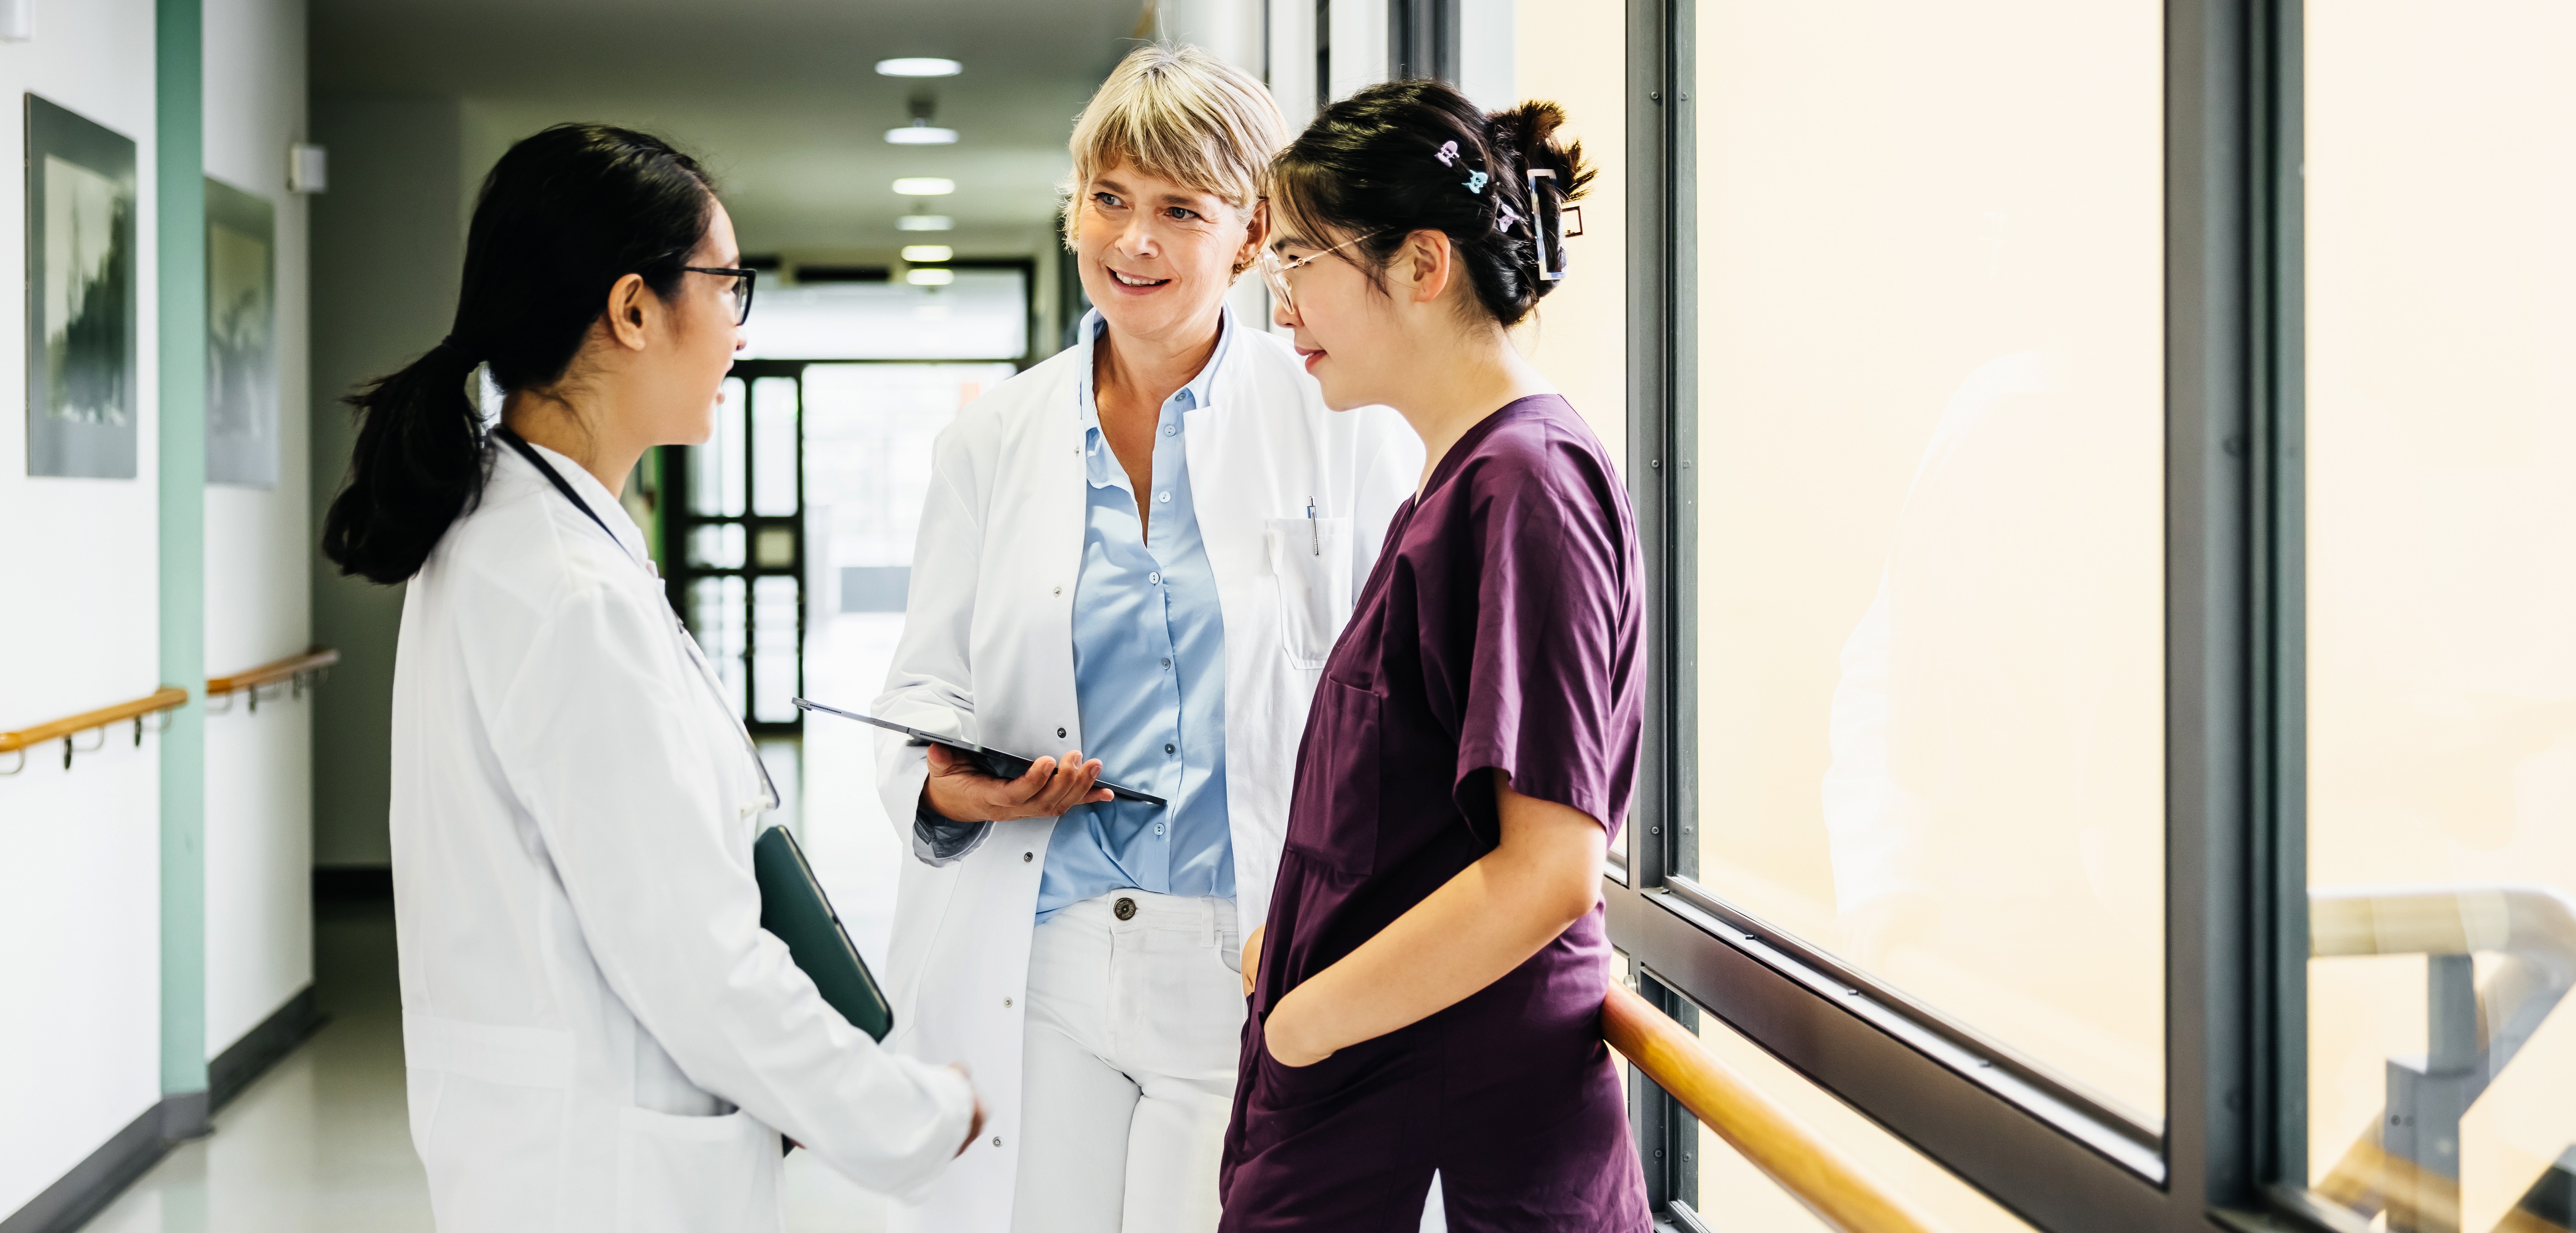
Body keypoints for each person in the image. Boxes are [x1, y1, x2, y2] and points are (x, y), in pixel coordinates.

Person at [322, 123, 983, 1233]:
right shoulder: (565, 589)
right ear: (633, 309)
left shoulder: (519, 537)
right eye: (729, 285)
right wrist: (911, 1113)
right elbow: (699, 961)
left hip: (552, 1149)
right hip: (603, 1177)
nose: (735, 329)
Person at [867, 44, 1422, 1233]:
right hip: (1048, 956)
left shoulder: (1342, 429)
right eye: (1109, 200)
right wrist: (961, 791)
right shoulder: (996, 439)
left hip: (1249, 956)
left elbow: (1399, 715)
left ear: (1253, 228)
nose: (1135, 242)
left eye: (1180, 209)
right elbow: (923, 690)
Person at [1217, 82, 1646, 1232]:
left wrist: (1306, 1018)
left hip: (1447, 1111)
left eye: (1300, 260)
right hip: (1379, 1083)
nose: (1283, 307)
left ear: (1419, 265)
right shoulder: (1461, 479)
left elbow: (1548, 867)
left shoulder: (1527, 487)